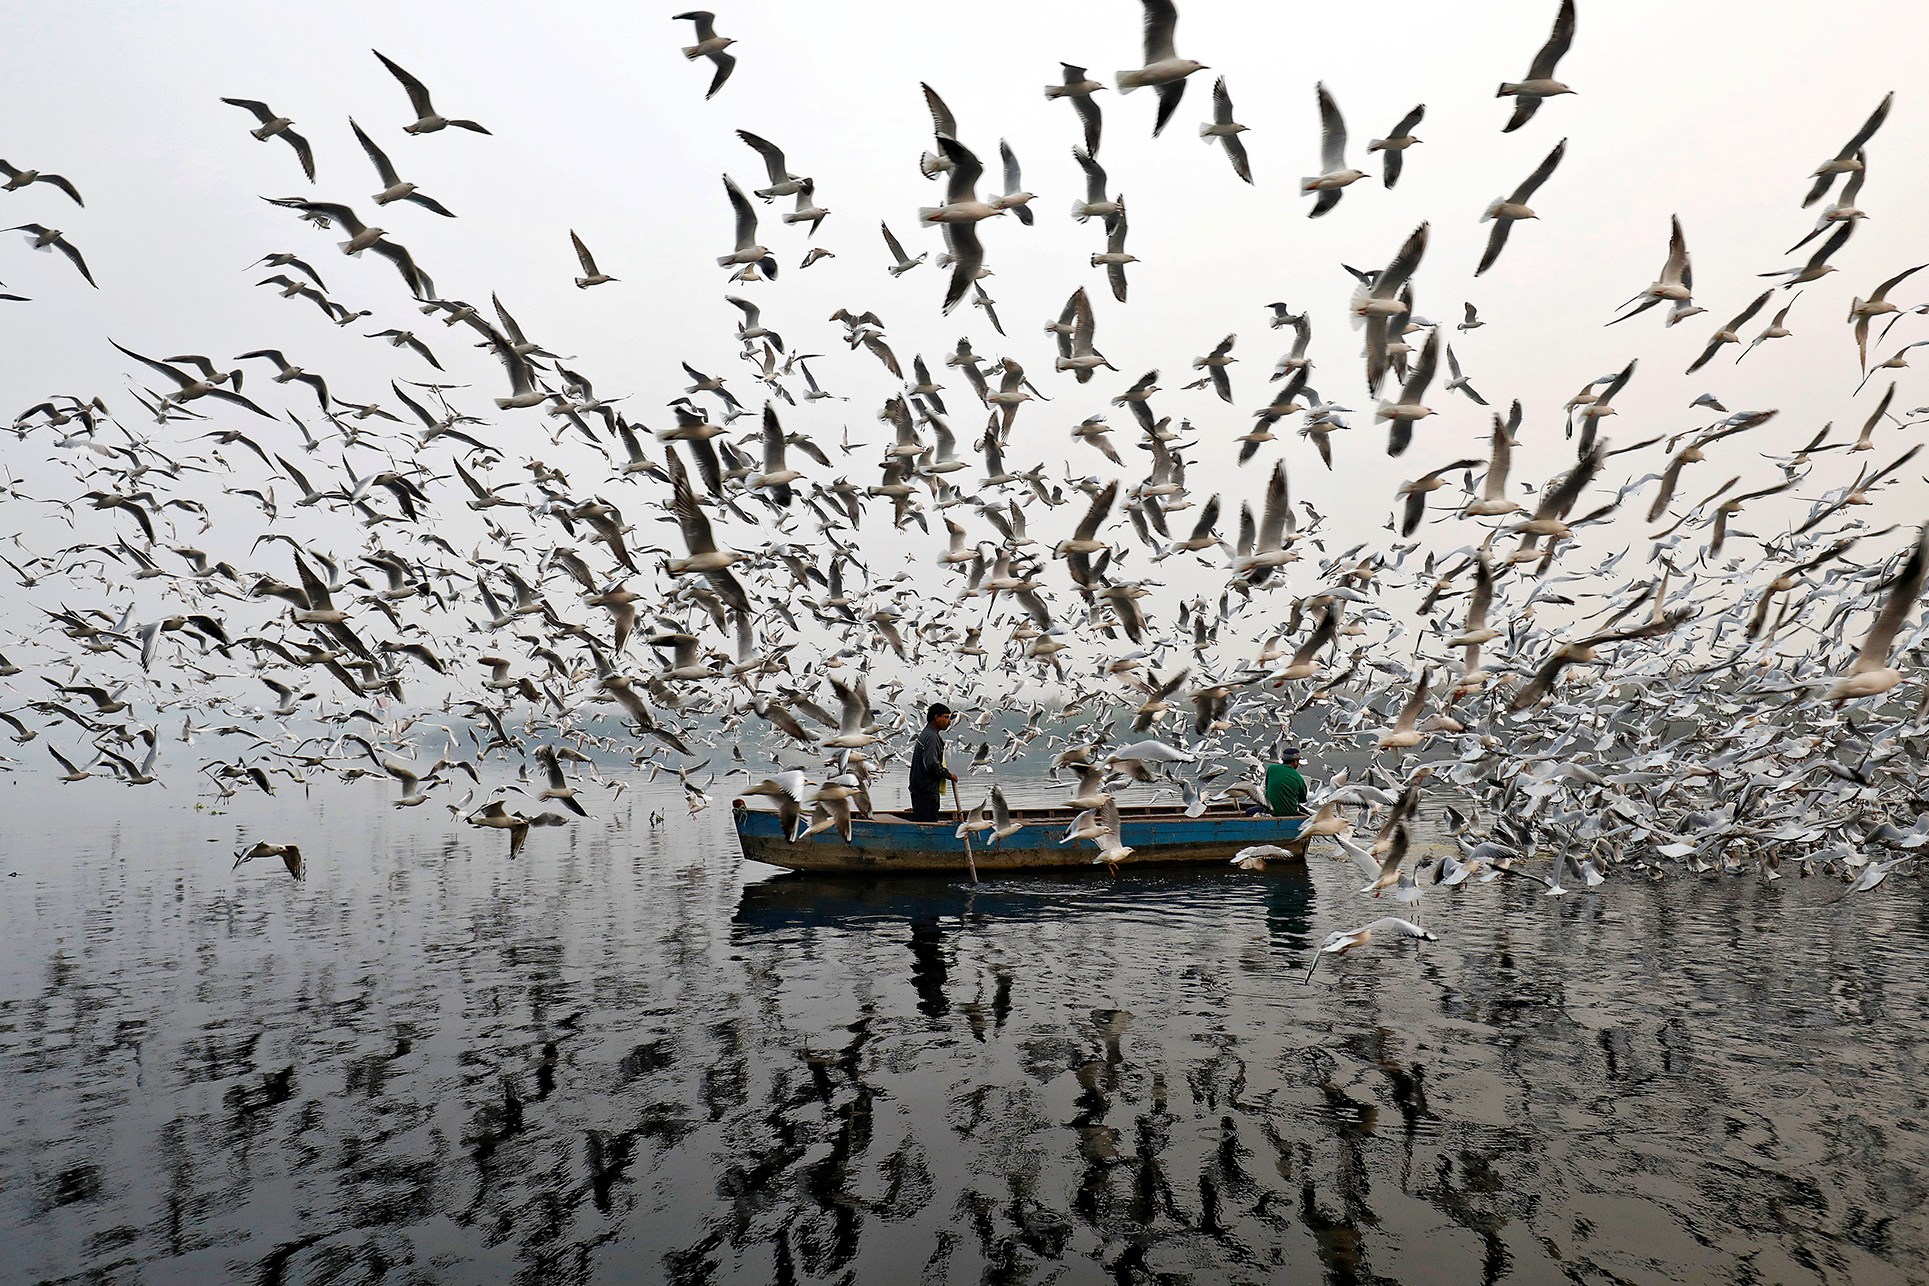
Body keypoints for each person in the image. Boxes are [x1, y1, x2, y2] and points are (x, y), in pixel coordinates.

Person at [908, 703, 959, 823]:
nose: (949, 721)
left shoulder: (926, 734)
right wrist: (948, 775)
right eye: (946, 717)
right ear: (937, 717)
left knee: (923, 822)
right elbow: (931, 764)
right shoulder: (931, 737)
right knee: (928, 824)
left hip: (919, 790)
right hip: (926, 792)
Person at [1264, 745, 1309, 817]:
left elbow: (1267, 788)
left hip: (1269, 811)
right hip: (1290, 813)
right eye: (1297, 761)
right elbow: (1302, 799)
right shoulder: (1299, 779)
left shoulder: (1271, 769)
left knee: (1249, 811)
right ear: (1295, 762)